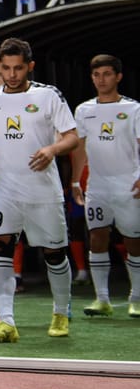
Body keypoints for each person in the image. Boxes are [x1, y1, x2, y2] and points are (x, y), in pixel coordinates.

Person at [0, 37, 78, 342]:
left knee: (54, 254)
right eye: (6, 68)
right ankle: (6, 321)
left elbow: (72, 137)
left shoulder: (49, 96)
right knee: (0, 249)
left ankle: (61, 312)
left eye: (18, 68)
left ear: (29, 67)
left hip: (42, 191)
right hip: (5, 189)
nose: (11, 74)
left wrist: (52, 149)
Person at [70, 55, 140, 318]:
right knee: (97, 237)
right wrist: (76, 180)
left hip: (127, 183)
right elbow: (79, 148)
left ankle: (137, 298)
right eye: (97, 74)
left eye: (108, 74)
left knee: (134, 241)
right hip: (97, 185)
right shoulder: (84, 109)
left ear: (118, 77)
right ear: (91, 78)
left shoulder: (134, 109)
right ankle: (102, 299)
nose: (102, 79)